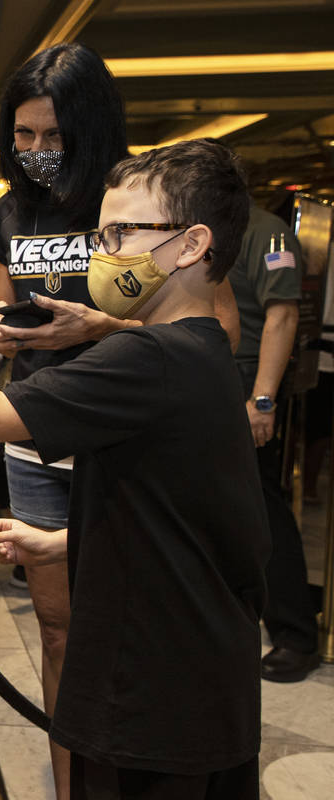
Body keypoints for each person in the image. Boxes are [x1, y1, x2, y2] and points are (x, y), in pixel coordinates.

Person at [0, 137, 267, 800]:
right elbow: (186, 516)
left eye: (122, 232)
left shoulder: (148, 359)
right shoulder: (202, 352)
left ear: (190, 245)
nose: (104, 252)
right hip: (201, 682)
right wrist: (68, 540)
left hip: (153, 693)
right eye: (102, 232)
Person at [0, 43, 133, 797]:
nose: (37, 152)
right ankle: (72, 782)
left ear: (90, 129)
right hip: (35, 432)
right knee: (58, 623)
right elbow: (2, 304)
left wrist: (96, 330)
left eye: (55, 137)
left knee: (132, 619)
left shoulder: (136, 198)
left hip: (123, 433)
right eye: (24, 136)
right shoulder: (10, 213)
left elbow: (208, 333)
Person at [228, 204, 320, 682]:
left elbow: (282, 317)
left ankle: (296, 635)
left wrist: (262, 401)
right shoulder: (199, 228)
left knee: (262, 508)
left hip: (245, 383)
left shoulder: (266, 232)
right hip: (206, 374)